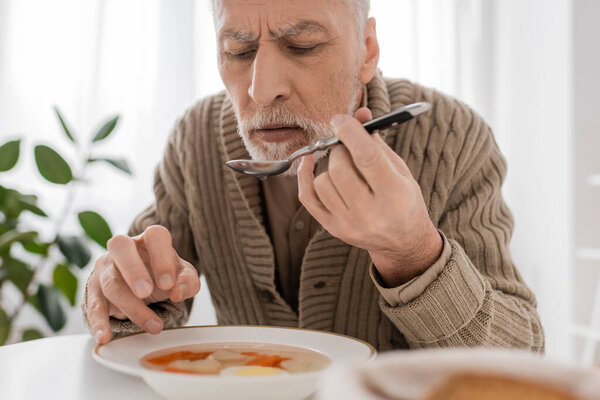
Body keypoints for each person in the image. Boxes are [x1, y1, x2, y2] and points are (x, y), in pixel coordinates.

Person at [83, 0, 544, 352]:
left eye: (302, 46)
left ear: (367, 49)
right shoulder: (195, 138)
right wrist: (127, 293)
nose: (262, 90)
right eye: (238, 51)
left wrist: (412, 253)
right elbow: (142, 294)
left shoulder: (453, 138)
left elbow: (520, 366)